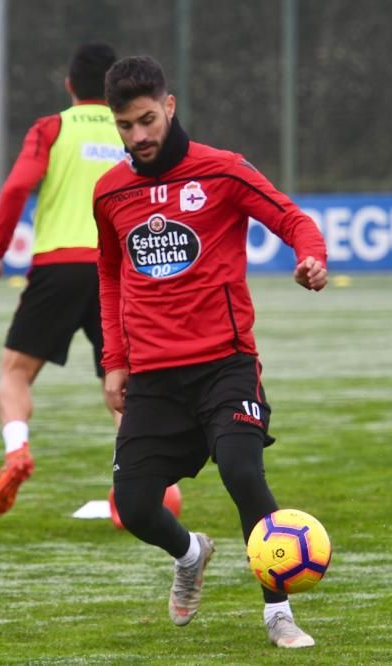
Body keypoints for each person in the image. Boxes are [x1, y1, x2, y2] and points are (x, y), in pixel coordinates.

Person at [93, 55, 328, 649]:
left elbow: (293, 218)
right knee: (135, 507)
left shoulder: (222, 171)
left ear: (169, 107)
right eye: (126, 126)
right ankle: (190, 552)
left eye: (148, 119)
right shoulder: (111, 192)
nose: (139, 135)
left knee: (243, 471)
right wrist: (114, 360)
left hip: (225, 365)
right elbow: (112, 273)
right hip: (153, 378)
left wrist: (312, 257)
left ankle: (278, 613)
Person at [0, 42, 123, 517]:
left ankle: (17, 449)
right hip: (117, 273)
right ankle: (138, 486)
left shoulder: (52, 128)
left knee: (16, 372)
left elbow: (18, 186)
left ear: (69, 86)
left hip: (58, 268)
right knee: (122, 385)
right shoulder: (134, 129)